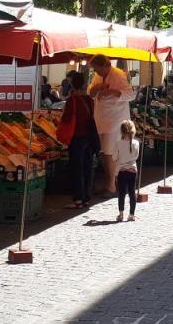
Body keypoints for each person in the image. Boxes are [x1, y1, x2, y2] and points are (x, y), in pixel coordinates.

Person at [88, 54, 135, 195]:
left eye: (97, 69)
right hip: (101, 119)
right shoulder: (98, 76)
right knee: (105, 152)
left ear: (104, 65)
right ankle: (112, 182)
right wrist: (96, 88)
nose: (96, 72)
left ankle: (111, 185)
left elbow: (131, 95)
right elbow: (90, 93)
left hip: (115, 120)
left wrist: (114, 92)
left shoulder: (118, 75)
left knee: (109, 152)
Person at [58, 70, 99, 209]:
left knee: (77, 168)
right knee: (88, 167)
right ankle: (87, 198)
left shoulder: (72, 100)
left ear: (72, 84)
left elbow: (67, 118)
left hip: (77, 137)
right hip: (89, 137)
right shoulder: (89, 100)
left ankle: (78, 199)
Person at [113, 119, 140, 222]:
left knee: (121, 193)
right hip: (133, 170)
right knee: (132, 192)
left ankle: (121, 214)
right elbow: (136, 156)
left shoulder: (118, 143)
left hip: (121, 170)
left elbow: (114, 157)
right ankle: (132, 214)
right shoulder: (136, 143)